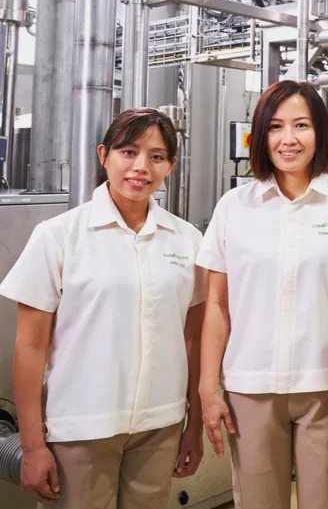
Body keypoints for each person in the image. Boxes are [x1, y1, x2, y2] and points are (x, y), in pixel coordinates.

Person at [0, 108, 206, 508]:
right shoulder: (59, 236)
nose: (141, 167)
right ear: (104, 155)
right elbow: (29, 347)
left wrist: (193, 425)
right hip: (80, 425)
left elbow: (193, 340)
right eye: (128, 152)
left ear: (172, 165)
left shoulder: (186, 240)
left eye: (157, 156)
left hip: (160, 424)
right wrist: (32, 445)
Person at [197, 80, 328, 509]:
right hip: (249, 387)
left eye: (302, 125)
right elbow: (217, 306)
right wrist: (207, 387)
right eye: (275, 127)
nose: (288, 139)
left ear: (321, 134)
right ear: (260, 135)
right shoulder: (233, 207)